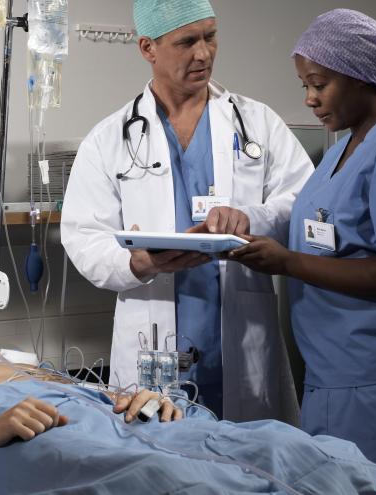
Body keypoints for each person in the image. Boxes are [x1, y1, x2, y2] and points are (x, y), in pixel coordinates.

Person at [0, 297, 376, 494]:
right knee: (160, 478)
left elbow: (96, 394)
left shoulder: (9, 362)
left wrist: (145, 398)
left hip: (102, 414)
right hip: (13, 439)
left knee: (280, 443)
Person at [60, 0, 313, 422]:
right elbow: (83, 236)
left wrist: (252, 216)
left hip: (241, 334)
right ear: (148, 48)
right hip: (152, 336)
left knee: (249, 472)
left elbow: (302, 200)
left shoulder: (257, 122)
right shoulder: (110, 139)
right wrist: (137, 262)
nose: (204, 53)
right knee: (158, 473)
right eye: (187, 41)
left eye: (210, 36)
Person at [226, 9, 376, 482]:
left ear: (360, 76)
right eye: (304, 84)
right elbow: (327, 238)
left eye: (319, 84)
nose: (308, 98)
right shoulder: (342, 149)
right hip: (333, 373)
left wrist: (287, 263)